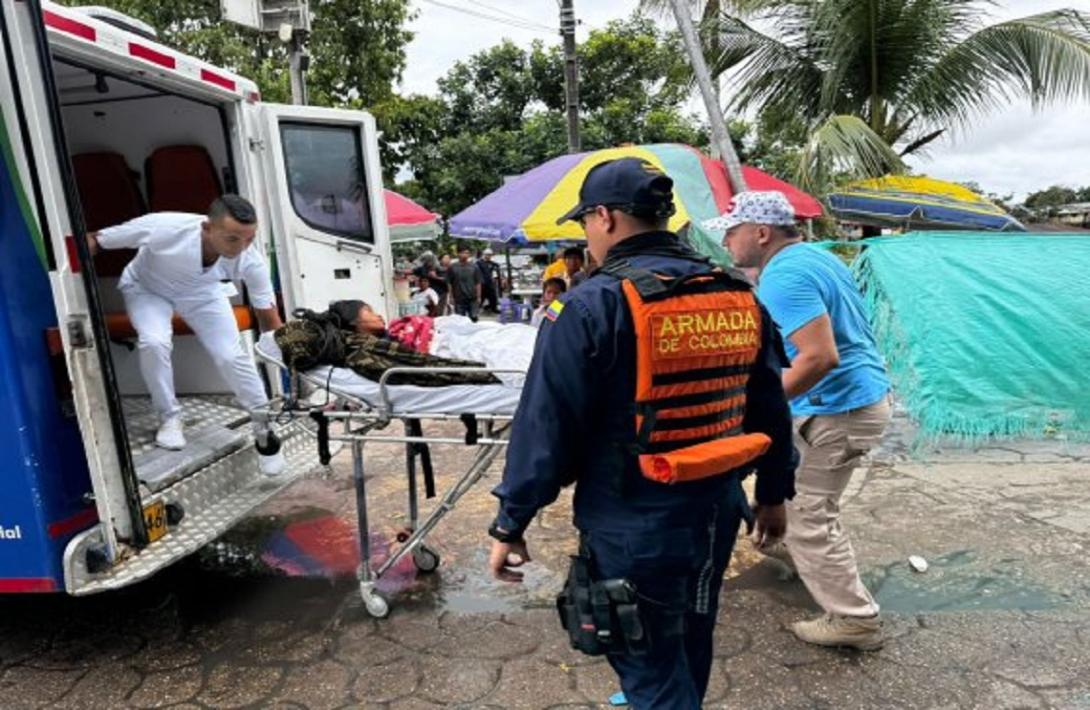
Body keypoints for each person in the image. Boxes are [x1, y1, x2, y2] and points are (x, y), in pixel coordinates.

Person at [487, 158, 797, 709]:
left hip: (633, 519)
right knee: (688, 639)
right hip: (716, 511)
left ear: (603, 217)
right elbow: (770, 404)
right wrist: (773, 493)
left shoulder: (588, 305)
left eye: (584, 222)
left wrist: (511, 521)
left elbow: (545, 428)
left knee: (649, 664)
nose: (586, 234)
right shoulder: (734, 292)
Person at [712, 190, 892, 651]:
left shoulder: (784, 276)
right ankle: (800, 554)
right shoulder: (815, 258)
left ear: (761, 232)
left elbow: (819, 356)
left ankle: (855, 620)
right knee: (794, 497)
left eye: (732, 232)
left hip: (839, 408)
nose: (728, 242)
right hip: (852, 399)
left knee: (809, 513)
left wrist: (752, 408)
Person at [88, 195, 286, 475]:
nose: (242, 247)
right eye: (232, 239)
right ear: (207, 228)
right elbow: (96, 240)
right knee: (154, 342)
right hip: (148, 289)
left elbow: (268, 314)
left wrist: (289, 352)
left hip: (203, 293)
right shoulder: (166, 227)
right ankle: (169, 418)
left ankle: (264, 428)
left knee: (231, 356)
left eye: (249, 239)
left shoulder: (250, 260)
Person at [447, 247, 482, 322]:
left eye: (467, 253)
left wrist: (479, 296)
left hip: (472, 297)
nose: (466, 255)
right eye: (463, 253)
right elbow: (449, 283)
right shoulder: (452, 267)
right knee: (460, 320)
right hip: (459, 298)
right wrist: (451, 297)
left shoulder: (474, 267)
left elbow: (478, 283)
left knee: (474, 318)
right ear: (458, 254)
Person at [477, 248, 503, 313]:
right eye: (487, 255)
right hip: (482, 284)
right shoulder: (479, 263)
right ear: (484, 255)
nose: (489, 256)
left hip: (490, 284)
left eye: (490, 255)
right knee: (481, 298)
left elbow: (497, 273)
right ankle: (476, 309)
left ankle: (494, 308)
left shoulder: (493, 264)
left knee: (493, 297)